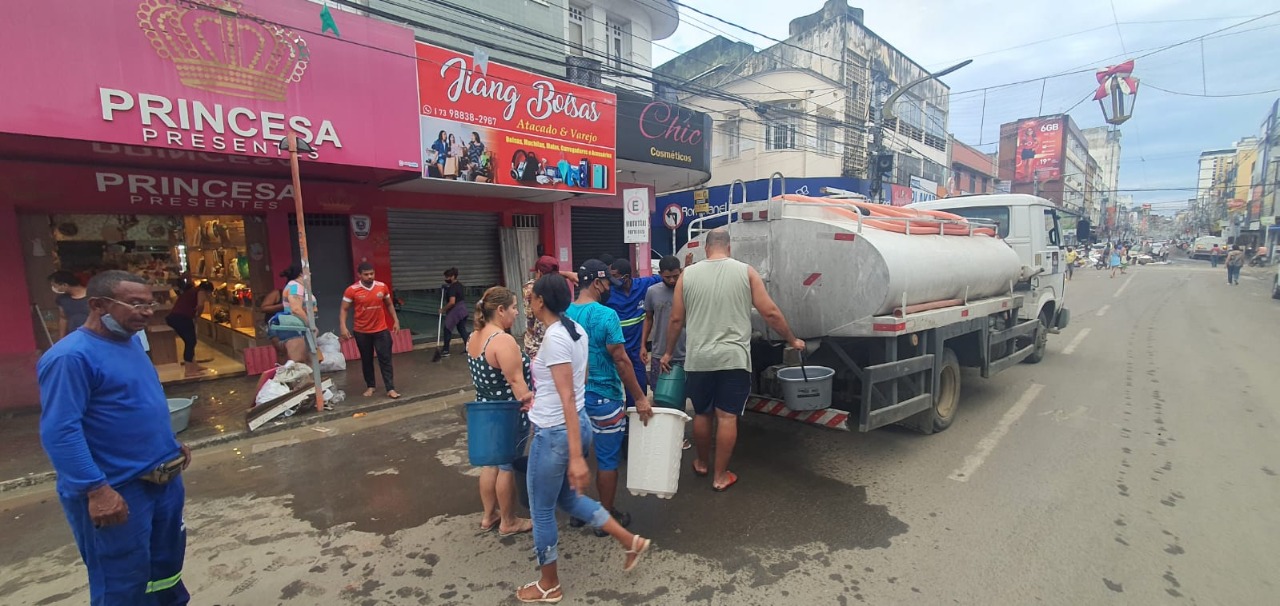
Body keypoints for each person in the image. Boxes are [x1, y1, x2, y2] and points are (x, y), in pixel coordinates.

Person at [38, 270, 192, 605]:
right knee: (122, 580)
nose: (147, 312)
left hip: (162, 480)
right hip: (117, 489)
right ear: (98, 305)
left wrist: (169, 445)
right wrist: (96, 489)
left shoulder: (132, 342)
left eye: (150, 304)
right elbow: (60, 431)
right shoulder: (70, 358)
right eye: (135, 304)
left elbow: (135, 401)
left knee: (165, 571)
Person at [518, 273, 651, 603]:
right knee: (568, 500)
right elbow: (578, 379)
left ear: (541, 302)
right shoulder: (573, 331)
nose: (529, 302)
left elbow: (566, 396)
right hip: (572, 422)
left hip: (556, 432)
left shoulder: (555, 338)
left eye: (532, 297)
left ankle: (549, 584)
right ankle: (629, 541)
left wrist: (576, 457)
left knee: (542, 509)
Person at [661, 228, 805, 492]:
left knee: (702, 413)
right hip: (733, 358)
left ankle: (702, 463)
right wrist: (792, 340)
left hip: (699, 358)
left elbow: (676, 319)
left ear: (706, 249)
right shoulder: (745, 271)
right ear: (729, 248)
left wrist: (668, 352)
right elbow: (770, 313)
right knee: (727, 417)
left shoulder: (687, 275)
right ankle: (720, 476)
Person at [564, 260, 653, 533]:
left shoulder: (563, 314)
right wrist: (639, 397)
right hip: (605, 399)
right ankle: (605, 518)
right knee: (607, 461)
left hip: (574, 400)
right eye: (606, 284)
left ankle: (578, 511)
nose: (608, 290)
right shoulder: (606, 315)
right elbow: (622, 361)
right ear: (597, 283)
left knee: (576, 456)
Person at [466, 286, 534, 537]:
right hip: (508, 414)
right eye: (514, 307)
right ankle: (508, 520)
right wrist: (532, 404)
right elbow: (517, 383)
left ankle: (488, 516)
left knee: (490, 463)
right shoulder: (502, 341)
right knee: (506, 466)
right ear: (500, 309)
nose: (517, 313)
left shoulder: (474, 338)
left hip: (485, 410)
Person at [340, 262, 401, 399]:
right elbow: (344, 309)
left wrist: (396, 320)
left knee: (385, 359)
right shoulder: (352, 290)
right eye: (366, 274)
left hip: (381, 330)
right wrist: (343, 327)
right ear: (359, 275)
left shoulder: (382, 287)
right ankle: (370, 386)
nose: (369, 277)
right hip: (362, 332)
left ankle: (390, 388)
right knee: (366, 360)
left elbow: (389, 304)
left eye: (371, 274)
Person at [641, 256, 687, 393]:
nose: (672, 280)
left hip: (686, 353)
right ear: (660, 274)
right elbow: (648, 319)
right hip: (659, 353)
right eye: (667, 277)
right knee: (661, 395)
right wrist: (643, 345)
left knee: (684, 394)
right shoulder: (652, 292)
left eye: (675, 276)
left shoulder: (688, 290)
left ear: (680, 271)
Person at [268, 263, 318, 364]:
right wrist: (310, 325)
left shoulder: (296, 286)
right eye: (308, 272)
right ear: (301, 274)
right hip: (294, 328)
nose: (310, 274)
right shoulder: (296, 286)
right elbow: (296, 308)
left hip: (293, 327)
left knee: (298, 362)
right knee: (298, 362)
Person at [167, 281, 214, 377]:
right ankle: (189, 370)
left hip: (176, 317)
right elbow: (200, 305)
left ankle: (194, 366)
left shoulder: (192, 291)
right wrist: (198, 316)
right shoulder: (201, 292)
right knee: (190, 342)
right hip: (182, 317)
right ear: (208, 290)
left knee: (190, 341)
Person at [523, 255, 560, 360]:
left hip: (534, 346)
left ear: (539, 273)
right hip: (554, 343)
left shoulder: (530, 288)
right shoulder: (559, 288)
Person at [48, 270, 90, 340]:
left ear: (65, 285)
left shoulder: (93, 295)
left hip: (95, 336)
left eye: (55, 286)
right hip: (75, 337)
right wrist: (61, 339)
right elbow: (63, 318)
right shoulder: (61, 299)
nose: (54, 288)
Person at [440, 268, 470, 357]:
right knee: (462, 329)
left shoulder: (452, 287)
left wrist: (443, 309)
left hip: (455, 310)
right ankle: (469, 348)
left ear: (453, 276)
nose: (446, 278)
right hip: (463, 310)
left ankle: (445, 350)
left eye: (447, 277)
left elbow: (452, 302)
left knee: (447, 329)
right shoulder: (459, 285)